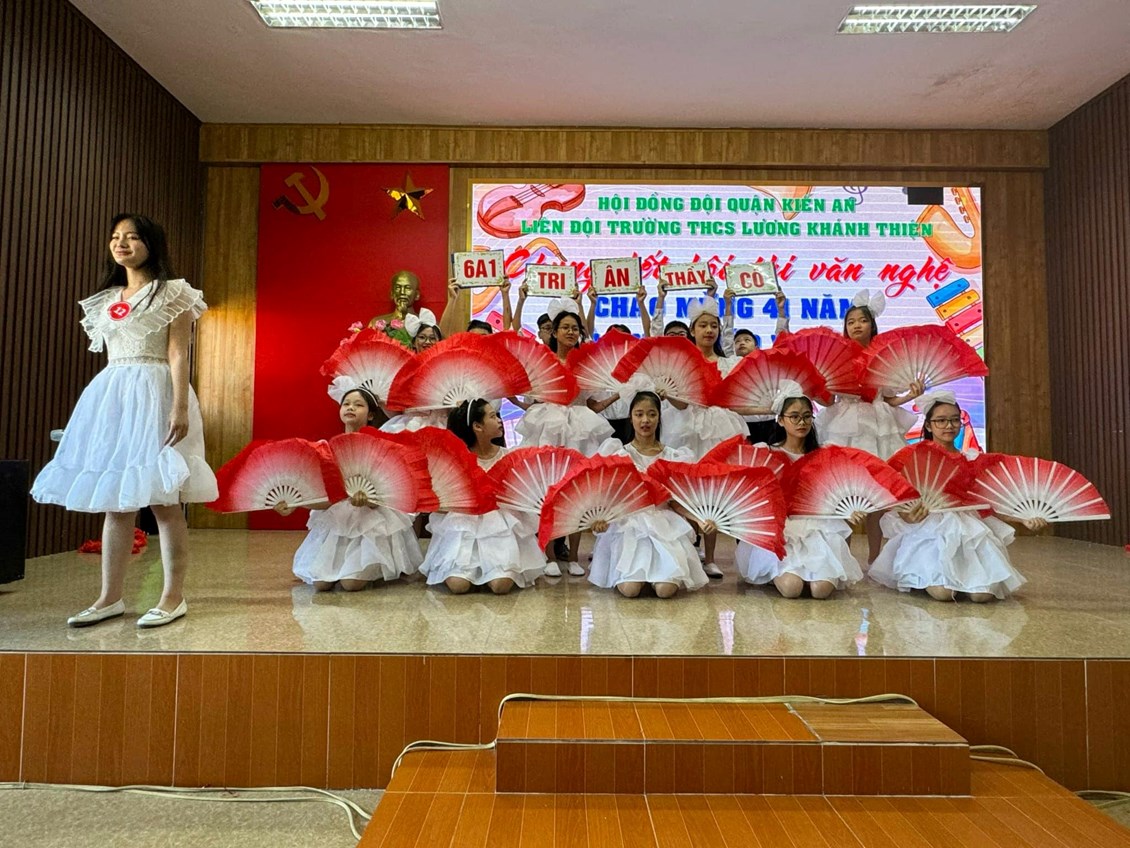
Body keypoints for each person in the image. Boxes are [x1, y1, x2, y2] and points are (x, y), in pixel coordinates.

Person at [32, 214, 217, 627]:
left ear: (151, 243)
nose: (122, 243)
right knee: (117, 502)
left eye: (132, 237)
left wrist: (179, 407)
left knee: (165, 501)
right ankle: (109, 597)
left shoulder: (173, 292)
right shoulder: (106, 299)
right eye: (116, 237)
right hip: (115, 394)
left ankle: (172, 597)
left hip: (157, 392)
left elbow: (177, 353)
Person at [869, 390, 1035, 602]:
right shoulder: (912, 456)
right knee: (943, 593)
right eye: (941, 421)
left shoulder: (971, 458)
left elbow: (986, 502)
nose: (949, 426)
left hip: (967, 526)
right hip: (928, 526)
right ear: (928, 425)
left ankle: (965, 578)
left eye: (955, 420)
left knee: (982, 596)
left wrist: (1023, 519)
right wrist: (908, 516)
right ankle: (928, 576)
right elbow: (896, 495)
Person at [276, 387, 422, 591]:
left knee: (351, 584)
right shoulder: (326, 450)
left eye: (358, 405)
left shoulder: (380, 447)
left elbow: (389, 495)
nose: (350, 408)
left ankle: (376, 566)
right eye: (346, 404)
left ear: (371, 415)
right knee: (321, 584)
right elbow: (327, 498)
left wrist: (370, 501)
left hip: (372, 522)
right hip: (339, 520)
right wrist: (295, 504)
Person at [817, 289, 923, 562]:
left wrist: (910, 395)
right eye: (851, 321)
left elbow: (888, 397)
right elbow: (829, 399)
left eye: (862, 321)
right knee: (845, 494)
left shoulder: (884, 357)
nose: (856, 326)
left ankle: (875, 559)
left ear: (872, 324)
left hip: (878, 425)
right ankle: (843, 559)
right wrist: (813, 390)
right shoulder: (837, 356)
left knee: (879, 495)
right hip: (845, 423)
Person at [735, 384, 866, 599]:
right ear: (780, 420)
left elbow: (835, 492)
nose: (801, 422)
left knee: (821, 590)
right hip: (783, 528)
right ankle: (779, 573)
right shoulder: (766, 453)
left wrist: (848, 511)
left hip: (817, 526)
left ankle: (812, 574)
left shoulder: (824, 453)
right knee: (792, 588)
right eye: (794, 417)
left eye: (806, 416)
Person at [514, 296, 613, 577]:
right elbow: (533, 399)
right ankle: (548, 555)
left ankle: (572, 556)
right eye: (565, 327)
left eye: (575, 328)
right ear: (554, 332)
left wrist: (620, 394)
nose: (571, 332)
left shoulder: (587, 365)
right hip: (548, 427)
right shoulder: (542, 362)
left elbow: (593, 404)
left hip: (580, 428)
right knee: (546, 491)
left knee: (578, 490)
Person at [588, 392, 710, 598]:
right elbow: (609, 497)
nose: (645, 420)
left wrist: (699, 520)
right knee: (630, 590)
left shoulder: (672, 456)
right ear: (631, 418)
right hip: (629, 525)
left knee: (665, 591)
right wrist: (600, 520)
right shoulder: (620, 455)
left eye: (652, 414)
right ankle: (640, 576)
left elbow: (675, 502)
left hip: (664, 524)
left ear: (659, 418)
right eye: (639, 414)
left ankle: (655, 575)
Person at [419, 399, 545, 594]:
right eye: (493, 416)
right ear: (477, 426)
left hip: (499, 526)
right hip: (463, 524)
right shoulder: (455, 460)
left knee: (501, 586)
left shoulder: (508, 456)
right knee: (458, 586)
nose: (499, 420)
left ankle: (492, 570)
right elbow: (436, 502)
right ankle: (470, 570)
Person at [662, 297, 749, 578]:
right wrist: (667, 394)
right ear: (692, 330)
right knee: (685, 491)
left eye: (713, 325)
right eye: (703, 325)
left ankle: (710, 557)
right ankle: (687, 552)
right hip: (685, 428)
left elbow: (734, 399)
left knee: (712, 492)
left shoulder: (728, 363)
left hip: (718, 429)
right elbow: (681, 404)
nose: (709, 330)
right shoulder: (681, 363)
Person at [722, 287, 791, 443]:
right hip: (741, 424)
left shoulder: (767, 362)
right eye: (737, 341)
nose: (741, 343)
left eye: (747, 340)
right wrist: (728, 305)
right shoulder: (731, 362)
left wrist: (781, 311)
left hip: (769, 423)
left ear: (757, 346)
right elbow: (726, 336)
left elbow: (782, 342)